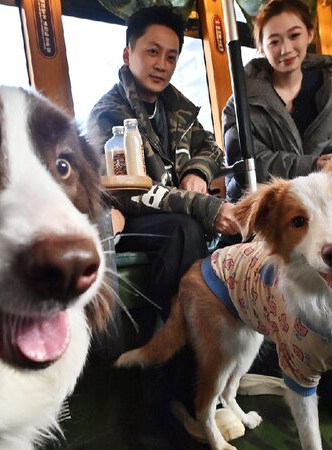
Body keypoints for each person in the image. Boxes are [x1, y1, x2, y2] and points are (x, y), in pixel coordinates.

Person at [87, 6, 241, 317]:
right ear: (127, 55)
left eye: (171, 57)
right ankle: (177, 333)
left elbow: (211, 146)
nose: (162, 65)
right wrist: (204, 207)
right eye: (153, 52)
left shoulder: (176, 107)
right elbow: (126, 192)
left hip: (174, 210)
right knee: (184, 230)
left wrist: (197, 171)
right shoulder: (108, 115)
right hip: (127, 217)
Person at [221, 0, 332, 195]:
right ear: (261, 48)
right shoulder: (240, 105)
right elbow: (247, 165)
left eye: (294, 35)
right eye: (274, 42)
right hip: (272, 203)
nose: (286, 49)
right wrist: (312, 165)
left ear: (309, 34)